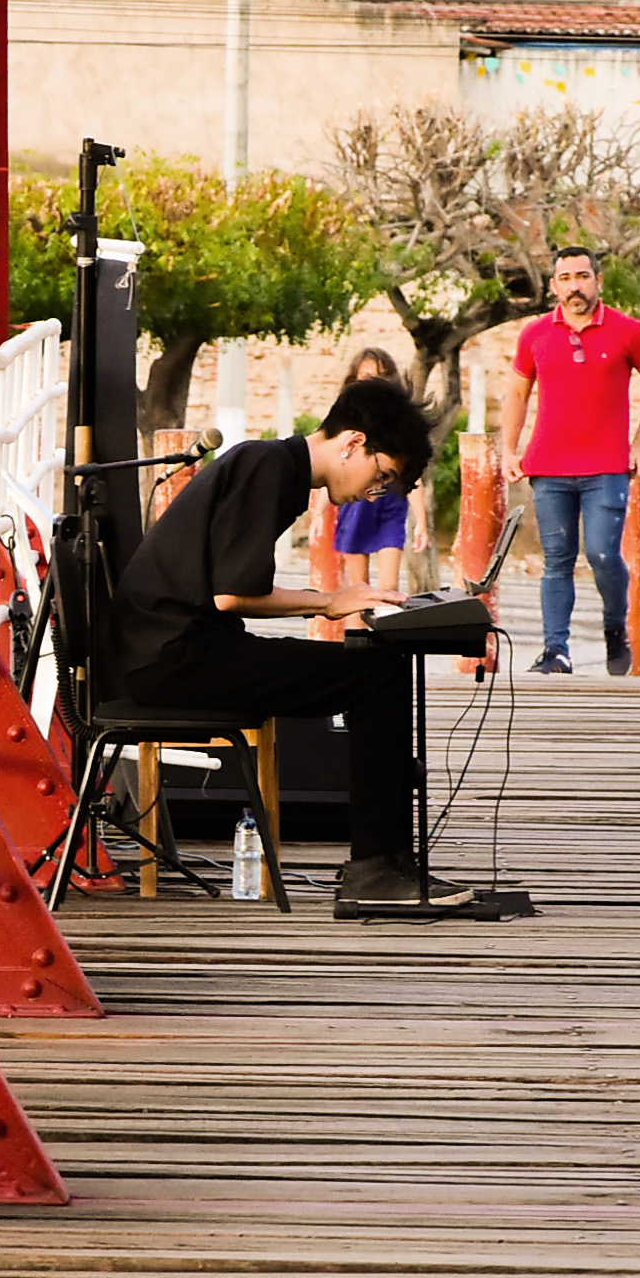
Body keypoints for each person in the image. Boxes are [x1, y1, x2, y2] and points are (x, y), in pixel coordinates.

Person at [110, 378, 474, 907]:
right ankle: (377, 870)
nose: (373, 493)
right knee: (376, 674)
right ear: (353, 443)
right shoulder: (270, 468)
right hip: (172, 660)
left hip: (177, 651)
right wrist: (329, 602)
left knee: (378, 666)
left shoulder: (272, 465)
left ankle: (389, 864)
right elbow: (232, 595)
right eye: (381, 476)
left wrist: (333, 600)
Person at [497, 246, 640, 676]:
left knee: (602, 554)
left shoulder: (627, 331)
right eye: (565, 278)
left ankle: (614, 626)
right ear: (554, 285)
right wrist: (508, 449)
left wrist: (638, 442)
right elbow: (518, 393)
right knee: (557, 560)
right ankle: (555, 651)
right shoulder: (536, 334)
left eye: (582, 276)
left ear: (598, 280)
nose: (574, 286)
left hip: (607, 466)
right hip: (548, 466)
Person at [330, 349, 410, 594]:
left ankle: (386, 619)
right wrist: (320, 509)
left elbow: (411, 471)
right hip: (356, 504)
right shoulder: (344, 420)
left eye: (381, 376)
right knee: (359, 589)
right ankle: (357, 622)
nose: (373, 382)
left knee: (389, 589)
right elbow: (334, 465)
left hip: (391, 503)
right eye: (366, 376)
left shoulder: (401, 421)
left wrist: (423, 522)